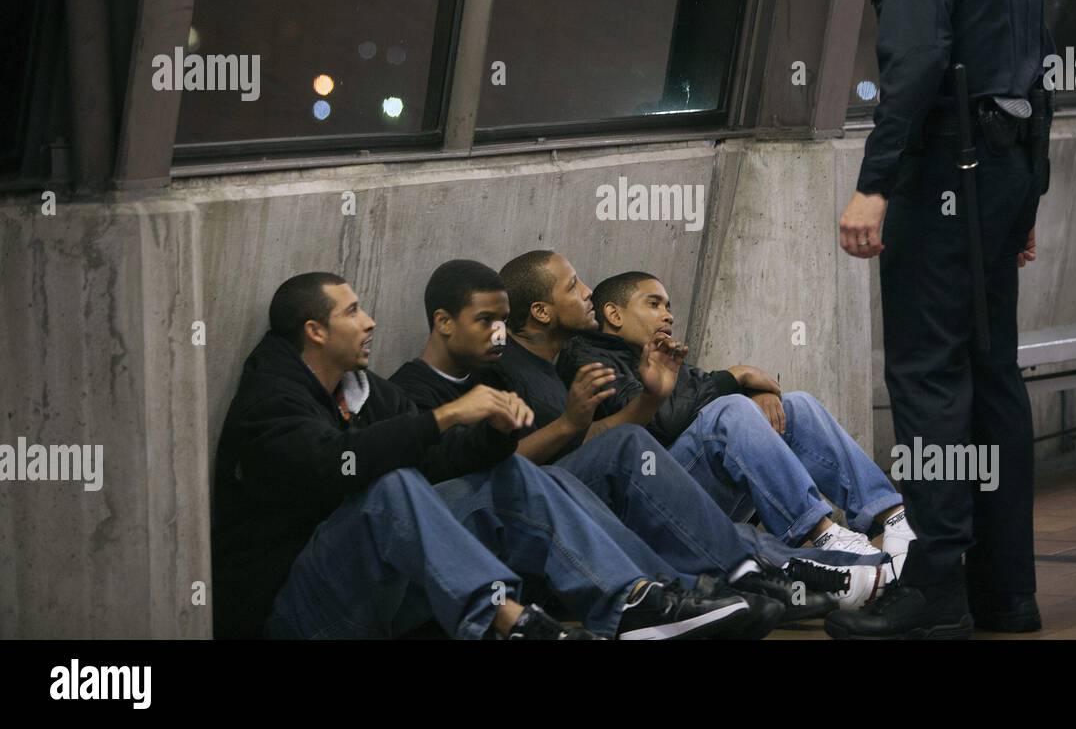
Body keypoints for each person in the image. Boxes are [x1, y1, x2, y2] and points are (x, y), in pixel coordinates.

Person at [212, 271, 754, 640]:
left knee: (511, 471)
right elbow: (330, 464)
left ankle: (643, 599)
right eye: (353, 311)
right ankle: (515, 624)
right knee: (392, 490)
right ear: (314, 330)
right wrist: (446, 416)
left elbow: (442, 461)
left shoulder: (363, 388)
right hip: (298, 610)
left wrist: (494, 432)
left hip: (376, 588)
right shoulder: (270, 399)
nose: (370, 321)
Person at [825, 0, 1053, 639]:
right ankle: (1006, 592)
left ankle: (935, 589)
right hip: (1001, 175)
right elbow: (1040, 79)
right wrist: (1026, 204)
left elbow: (915, 63)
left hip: (944, 176)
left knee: (928, 378)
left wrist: (874, 187)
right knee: (993, 377)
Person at [392, 258, 872, 619]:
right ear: (444, 322)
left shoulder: (527, 370)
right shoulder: (421, 389)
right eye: (485, 320)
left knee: (747, 478)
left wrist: (646, 397)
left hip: (585, 498)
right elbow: (482, 474)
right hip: (522, 524)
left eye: (500, 319)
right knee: (698, 430)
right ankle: (752, 573)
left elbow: (583, 442)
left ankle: (842, 564)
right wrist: (576, 423)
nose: (586, 294)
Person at [559, 270, 915, 589]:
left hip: (700, 493)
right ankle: (822, 535)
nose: (667, 315)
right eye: (653, 304)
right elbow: (659, 420)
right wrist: (735, 377)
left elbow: (698, 396)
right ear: (614, 314)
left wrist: (753, 391)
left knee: (796, 406)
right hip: (652, 505)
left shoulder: (663, 354)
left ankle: (891, 518)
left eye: (668, 306)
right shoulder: (589, 356)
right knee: (729, 412)